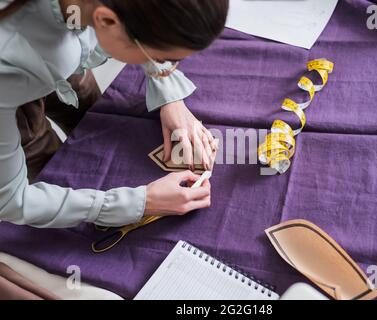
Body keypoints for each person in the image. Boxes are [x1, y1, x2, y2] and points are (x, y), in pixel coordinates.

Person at [0, 0, 229, 228]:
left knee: (90, 109)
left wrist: (171, 97)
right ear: (106, 20)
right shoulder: (10, 65)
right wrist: (139, 202)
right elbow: (12, 200)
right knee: (47, 161)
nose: (163, 65)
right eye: (160, 59)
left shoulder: (86, 18)